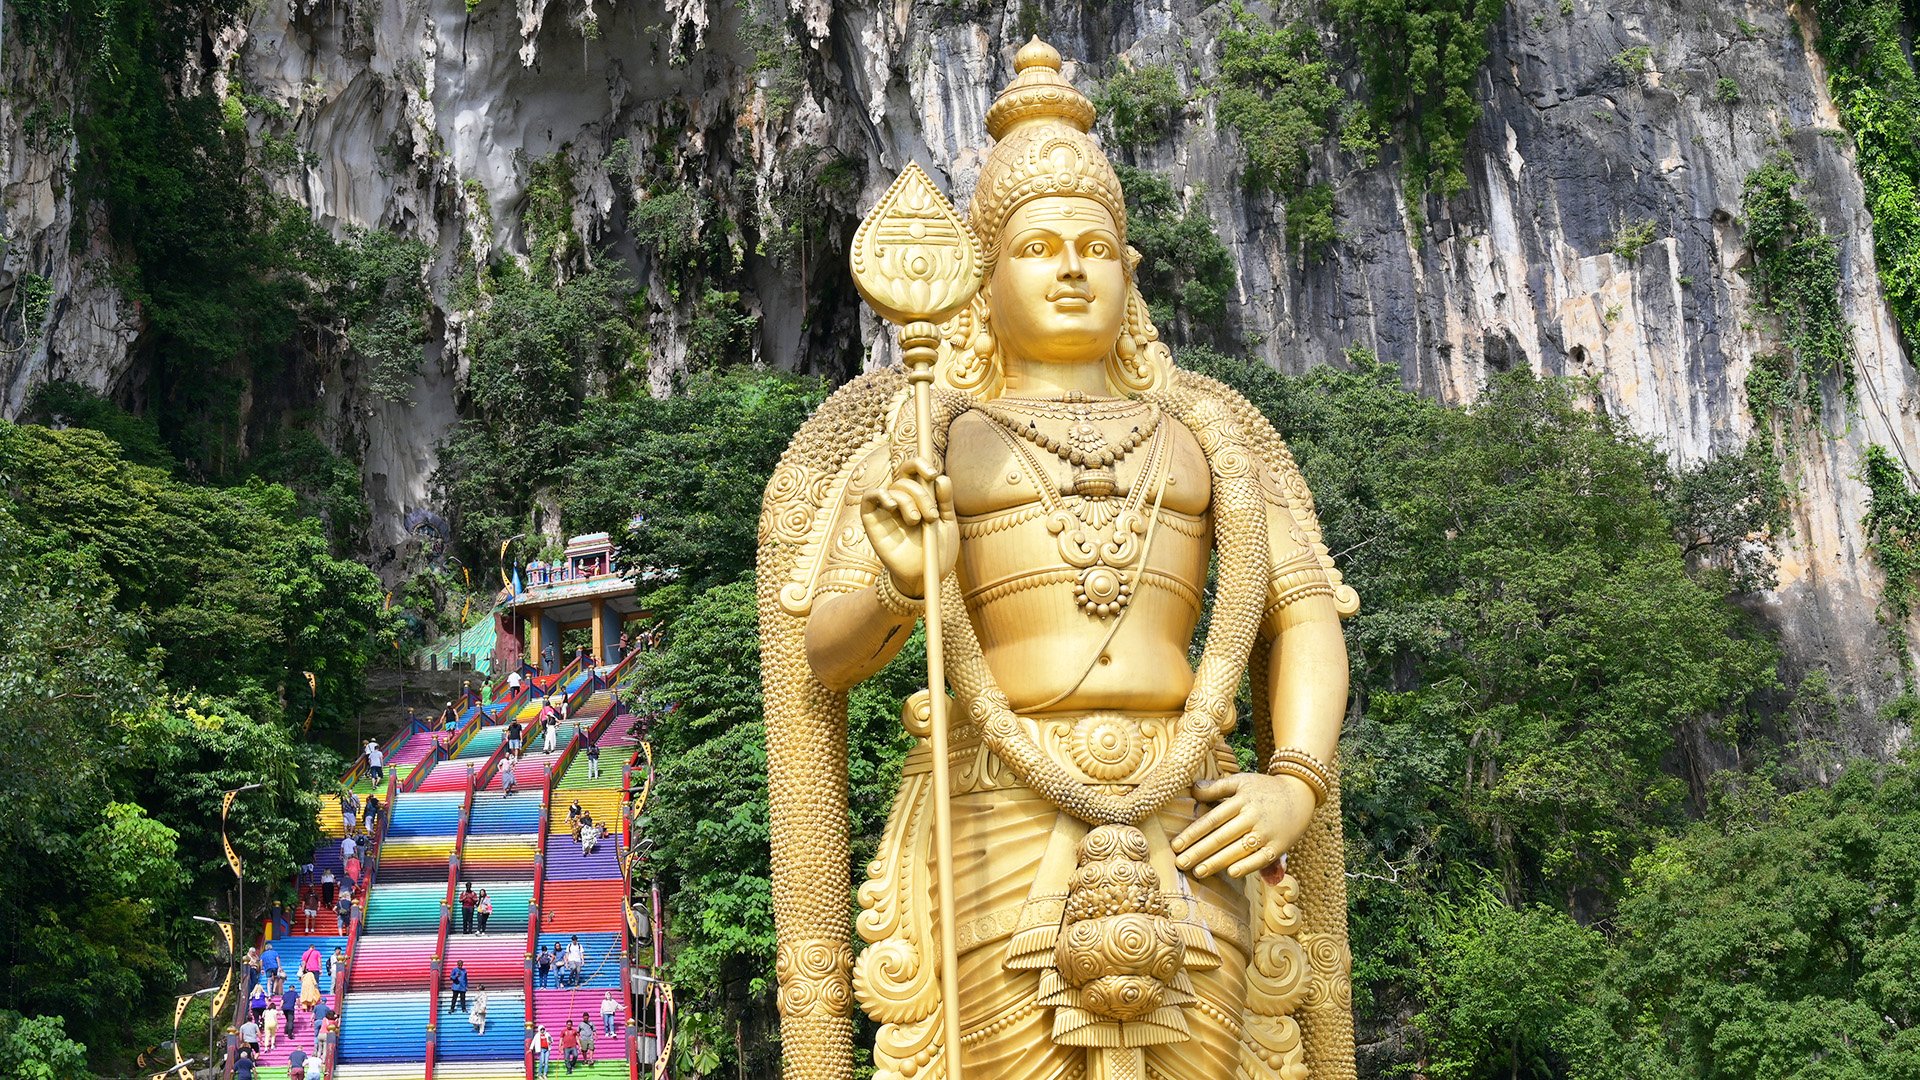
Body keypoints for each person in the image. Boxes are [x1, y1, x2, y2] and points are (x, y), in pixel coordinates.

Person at [764, 42, 1358, 1080]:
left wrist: (1295, 781)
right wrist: (902, 581)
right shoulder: (930, 437)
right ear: (981, 283)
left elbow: (1302, 613)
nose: (1073, 268)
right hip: (995, 808)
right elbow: (824, 655)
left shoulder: (1212, 436)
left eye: (1096, 247)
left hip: (1192, 810)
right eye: (1038, 248)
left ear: (1131, 272)